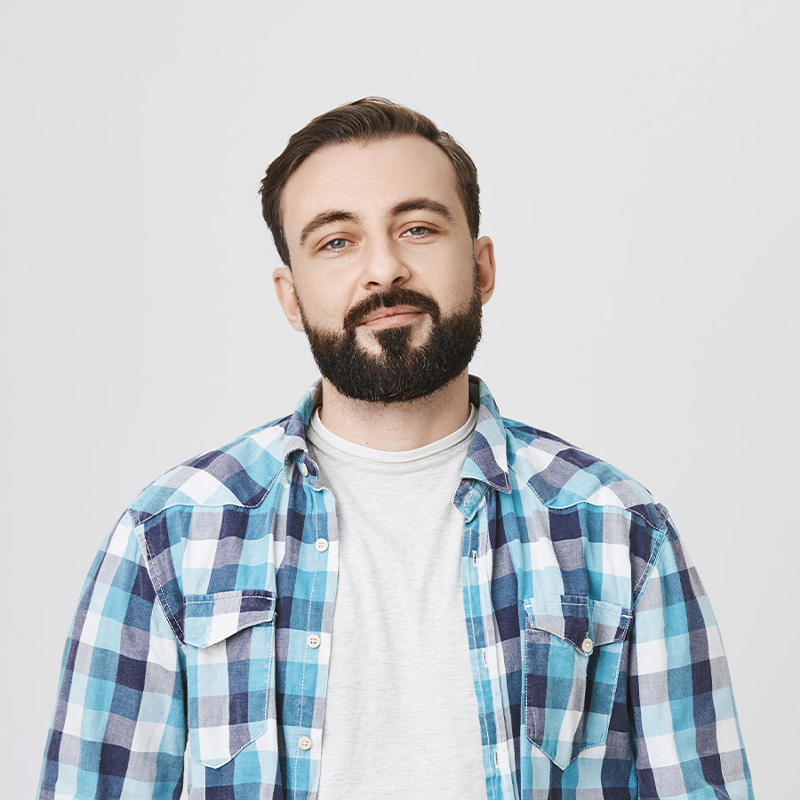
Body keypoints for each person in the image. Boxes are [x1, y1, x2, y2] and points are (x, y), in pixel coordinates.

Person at [38, 97, 754, 800]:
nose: (383, 270)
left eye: (417, 228)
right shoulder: (169, 532)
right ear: (291, 297)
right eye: (336, 241)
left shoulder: (619, 528)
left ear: (481, 268)